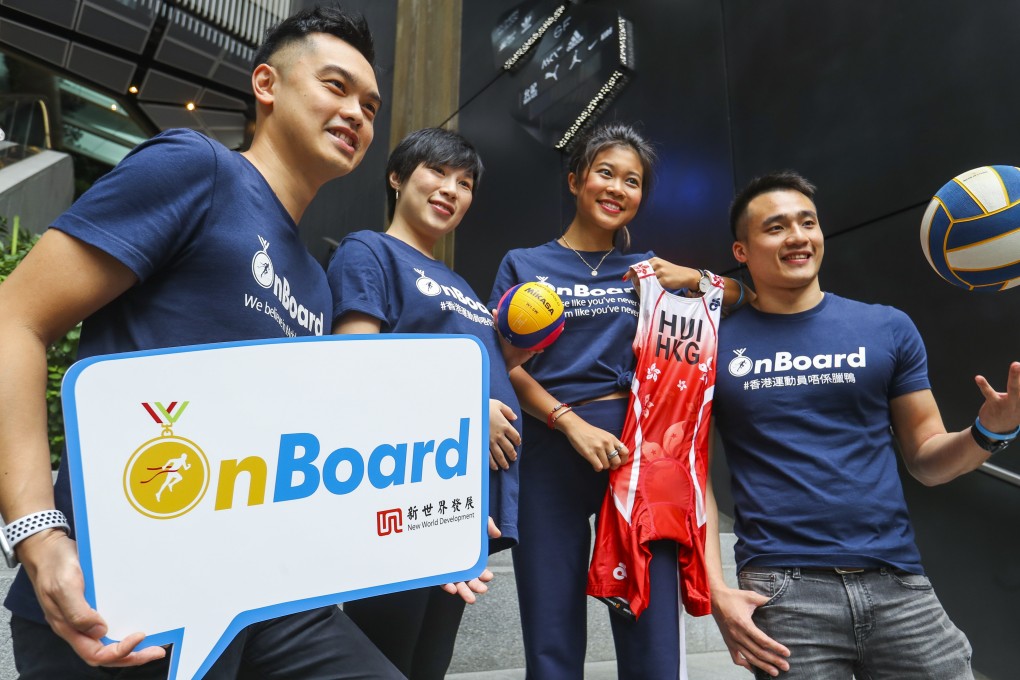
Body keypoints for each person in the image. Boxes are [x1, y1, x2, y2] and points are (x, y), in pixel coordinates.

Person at [0, 6, 406, 678]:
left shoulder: (316, 282)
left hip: (257, 596)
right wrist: (37, 536)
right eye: (336, 87)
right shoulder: (199, 169)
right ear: (267, 85)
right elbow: (16, 317)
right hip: (122, 606)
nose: (358, 114)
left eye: (370, 104)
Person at [705, 170, 1020, 679]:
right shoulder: (714, 344)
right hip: (784, 591)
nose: (798, 237)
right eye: (776, 227)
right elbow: (693, 477)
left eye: (808, 222)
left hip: (900, 584)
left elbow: (928, 461)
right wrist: (715, 590)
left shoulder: (886, 327)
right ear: (742, 251)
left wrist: (989, 430)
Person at [489, 122, 745, 679]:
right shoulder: (524, 264)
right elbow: (506, 365)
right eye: (606, 173)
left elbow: (739, 295)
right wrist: (569, 422)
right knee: (550, 624)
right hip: (550, 446)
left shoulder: (651, 270)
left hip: (636, 457)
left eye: (632, 182)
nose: (617, 188)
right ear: (577, 179)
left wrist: (695, 277)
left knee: (649, 622)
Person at [327, 127, 531, 679]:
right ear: (397, 178)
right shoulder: (368, 250)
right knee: (383, 662)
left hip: (459, 503)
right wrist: (465, 415)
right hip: (398, 493)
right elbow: (353, 366)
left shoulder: (463, 286)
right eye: (436, 173)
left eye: (464, 183)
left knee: (426, 667)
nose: (451, 190)